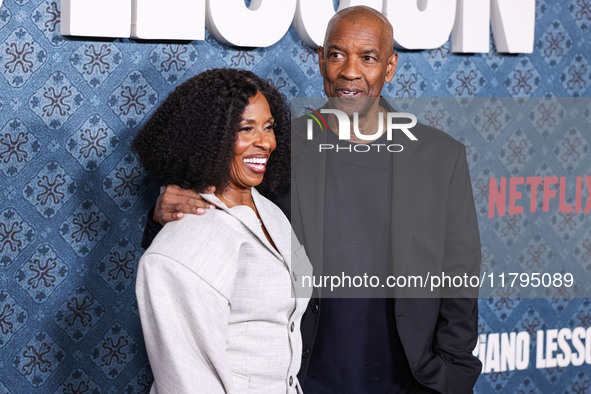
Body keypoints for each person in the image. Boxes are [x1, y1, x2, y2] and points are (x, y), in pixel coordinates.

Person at [141, 7, 482, 393]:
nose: (350, 72)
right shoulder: (278, 147)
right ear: (321, 60)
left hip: (410, 380)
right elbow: (220, 222)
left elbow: (460, 271)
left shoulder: (440, 155)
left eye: (368, 58)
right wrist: (161, 214)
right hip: (303, 377)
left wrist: (454, 372)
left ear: (389, 67)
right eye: (337, 54)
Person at [133, 68, 312, 393]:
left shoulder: (272, 213)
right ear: (209, 137)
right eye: (246, 128)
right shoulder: (184, 246)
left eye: (269, 127)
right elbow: (188, 382)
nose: (266, 142)